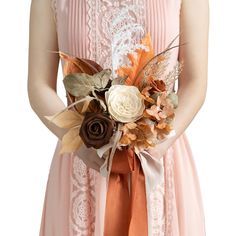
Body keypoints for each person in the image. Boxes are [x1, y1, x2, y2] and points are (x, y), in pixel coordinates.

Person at [28, 0, 209, 235]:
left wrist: (157, 144)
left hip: (159, 160)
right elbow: (38, 85)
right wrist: (81, 145)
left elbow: (195, 82)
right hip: (82, 160)